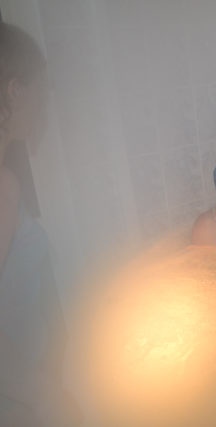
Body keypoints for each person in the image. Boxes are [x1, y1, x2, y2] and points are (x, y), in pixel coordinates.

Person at [0, 22, 80, 426]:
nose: (45, 100)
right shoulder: (4, 185)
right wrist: (43, 396)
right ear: (15, 90)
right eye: (41, 88)